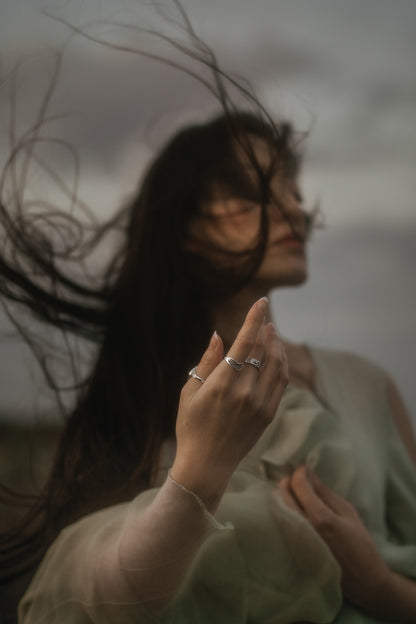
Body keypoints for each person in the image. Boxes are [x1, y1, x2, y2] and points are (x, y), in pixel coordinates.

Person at [0, 25, 416, 624]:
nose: (295, 208)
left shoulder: (367, 386)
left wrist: (375, 584)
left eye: (295, 192)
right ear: (187, 228)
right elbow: (90, 602)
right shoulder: (137, 398)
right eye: (253, 189)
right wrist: (198, 476)